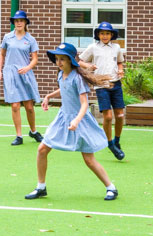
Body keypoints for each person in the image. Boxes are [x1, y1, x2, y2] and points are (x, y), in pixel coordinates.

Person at [25, 43, 118, 201]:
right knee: (42, 149)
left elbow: (84, 104)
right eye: (57, 59)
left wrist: (76, 120)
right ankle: (41, 187)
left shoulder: (78, 79)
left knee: (88, 159)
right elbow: (64, 87)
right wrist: (48, 96)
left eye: (63, 59)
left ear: (71, 61)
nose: (59, 62)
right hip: (63, 118)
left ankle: (111, 188)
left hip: (80, 121)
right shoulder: (61, 75)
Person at [78, 22, 126, 160]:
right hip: (101, 85)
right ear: (98, 35)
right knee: (108, 117)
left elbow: (119, 62)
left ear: (112, 35)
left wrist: (121, 69)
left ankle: (117, 140)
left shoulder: (116, 47)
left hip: (116, 84)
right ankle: (109, 143)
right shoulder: (93, 47)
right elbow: (80, 61)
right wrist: (88, 65)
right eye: (102, 33)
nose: (105, 36)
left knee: (120, 116)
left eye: (107, 33)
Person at [0, 10, 43, 145]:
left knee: (29, 106)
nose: (19, 23)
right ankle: (19, 136)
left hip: (25, 74)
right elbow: (2, 55)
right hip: (10, 74)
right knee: (15, 106)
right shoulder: (7, 37)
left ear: (25, 22)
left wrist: (28, 68)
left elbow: (35, 59)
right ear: (13, 23)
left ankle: (33, 131)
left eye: (21, 20)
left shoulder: (30, 39)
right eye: (16, 21)